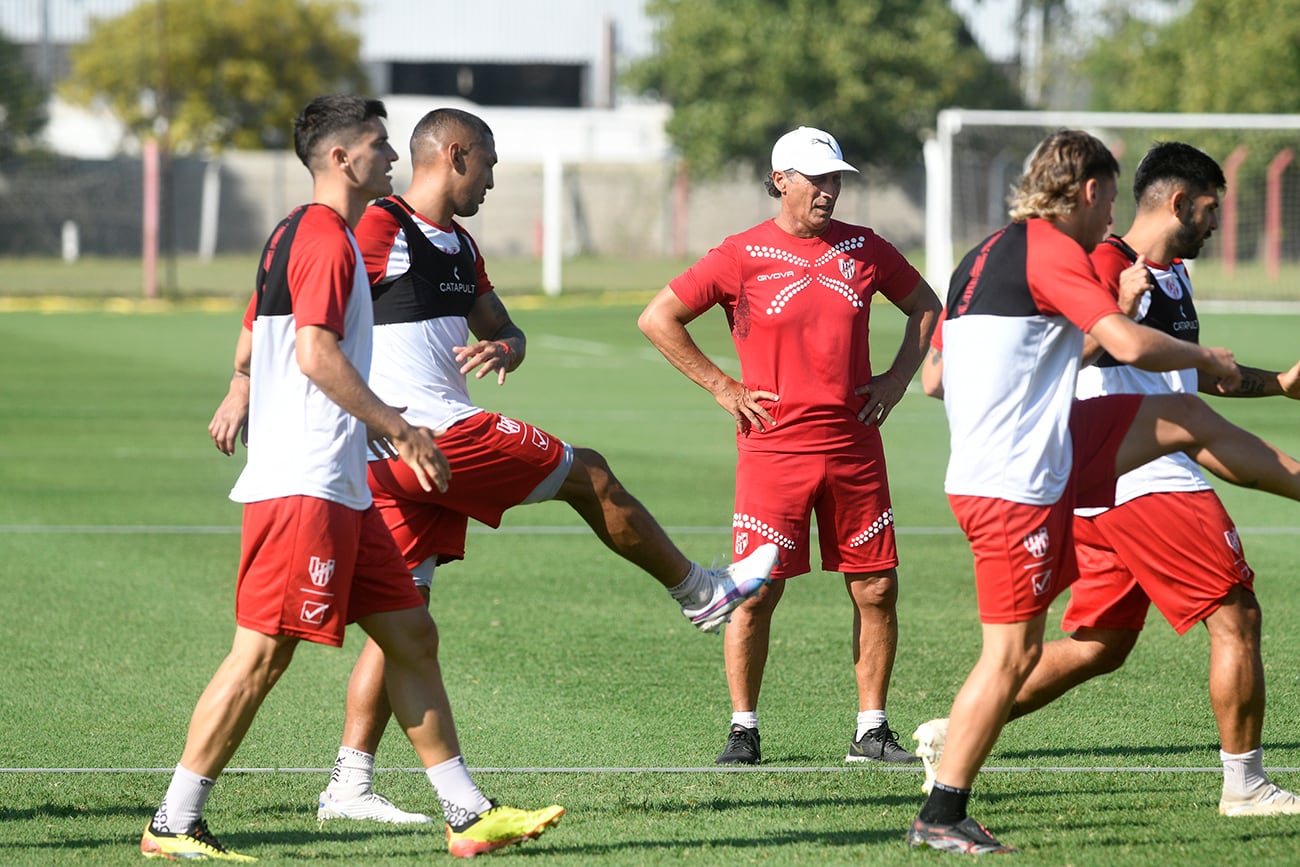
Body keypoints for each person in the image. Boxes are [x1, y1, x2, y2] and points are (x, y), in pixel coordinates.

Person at [211, 106, 777, 825]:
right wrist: (243, 381)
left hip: (399, 456)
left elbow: (504, 326)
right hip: (427, 436)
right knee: (590, 473)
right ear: (455, 155)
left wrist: (508, 346)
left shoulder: (461, 246)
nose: (494, 177)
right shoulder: (378, 224)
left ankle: (349, 785)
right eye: (489, 161)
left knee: (404, 624)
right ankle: (701, 592)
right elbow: (291, 292)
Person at [147, 95, 563, 862]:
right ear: (341, 159)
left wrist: (241, 384)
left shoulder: (294, 235)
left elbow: (257, 336)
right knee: (262, 655)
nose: (391, 157)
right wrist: (400, 427)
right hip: (304, 480)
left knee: (410, 634)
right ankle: (173, 822)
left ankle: (467, 814)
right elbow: (314, 353)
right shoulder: (328, 237)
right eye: (378, 145)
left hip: (341, 484)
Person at [909, 129, 1300, 855]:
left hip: (1050, 452)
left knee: (1099, 642)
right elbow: (1124, 346)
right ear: (1088, 192)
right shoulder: (1062, 253)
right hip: (1020, 479)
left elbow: (933, 381)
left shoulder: (982, 256)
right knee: (1013, 655)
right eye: (1110, 198)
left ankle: (952, 745)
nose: (1111, 216)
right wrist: (1179, 345)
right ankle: (942, 810)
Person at [637, 126, 943, 767]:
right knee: (756, 590)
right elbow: (657, 317)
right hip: (772, 452)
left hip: (854, 449)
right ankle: (743, 731)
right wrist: (722, 386)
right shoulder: (740, 254)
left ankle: (871, 729)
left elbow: (925, 307)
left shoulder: (866, 248)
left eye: (835, 179)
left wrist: (894, 379)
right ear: (781, 181)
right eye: (816, 179)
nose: (828, 190)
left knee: (877, 588)